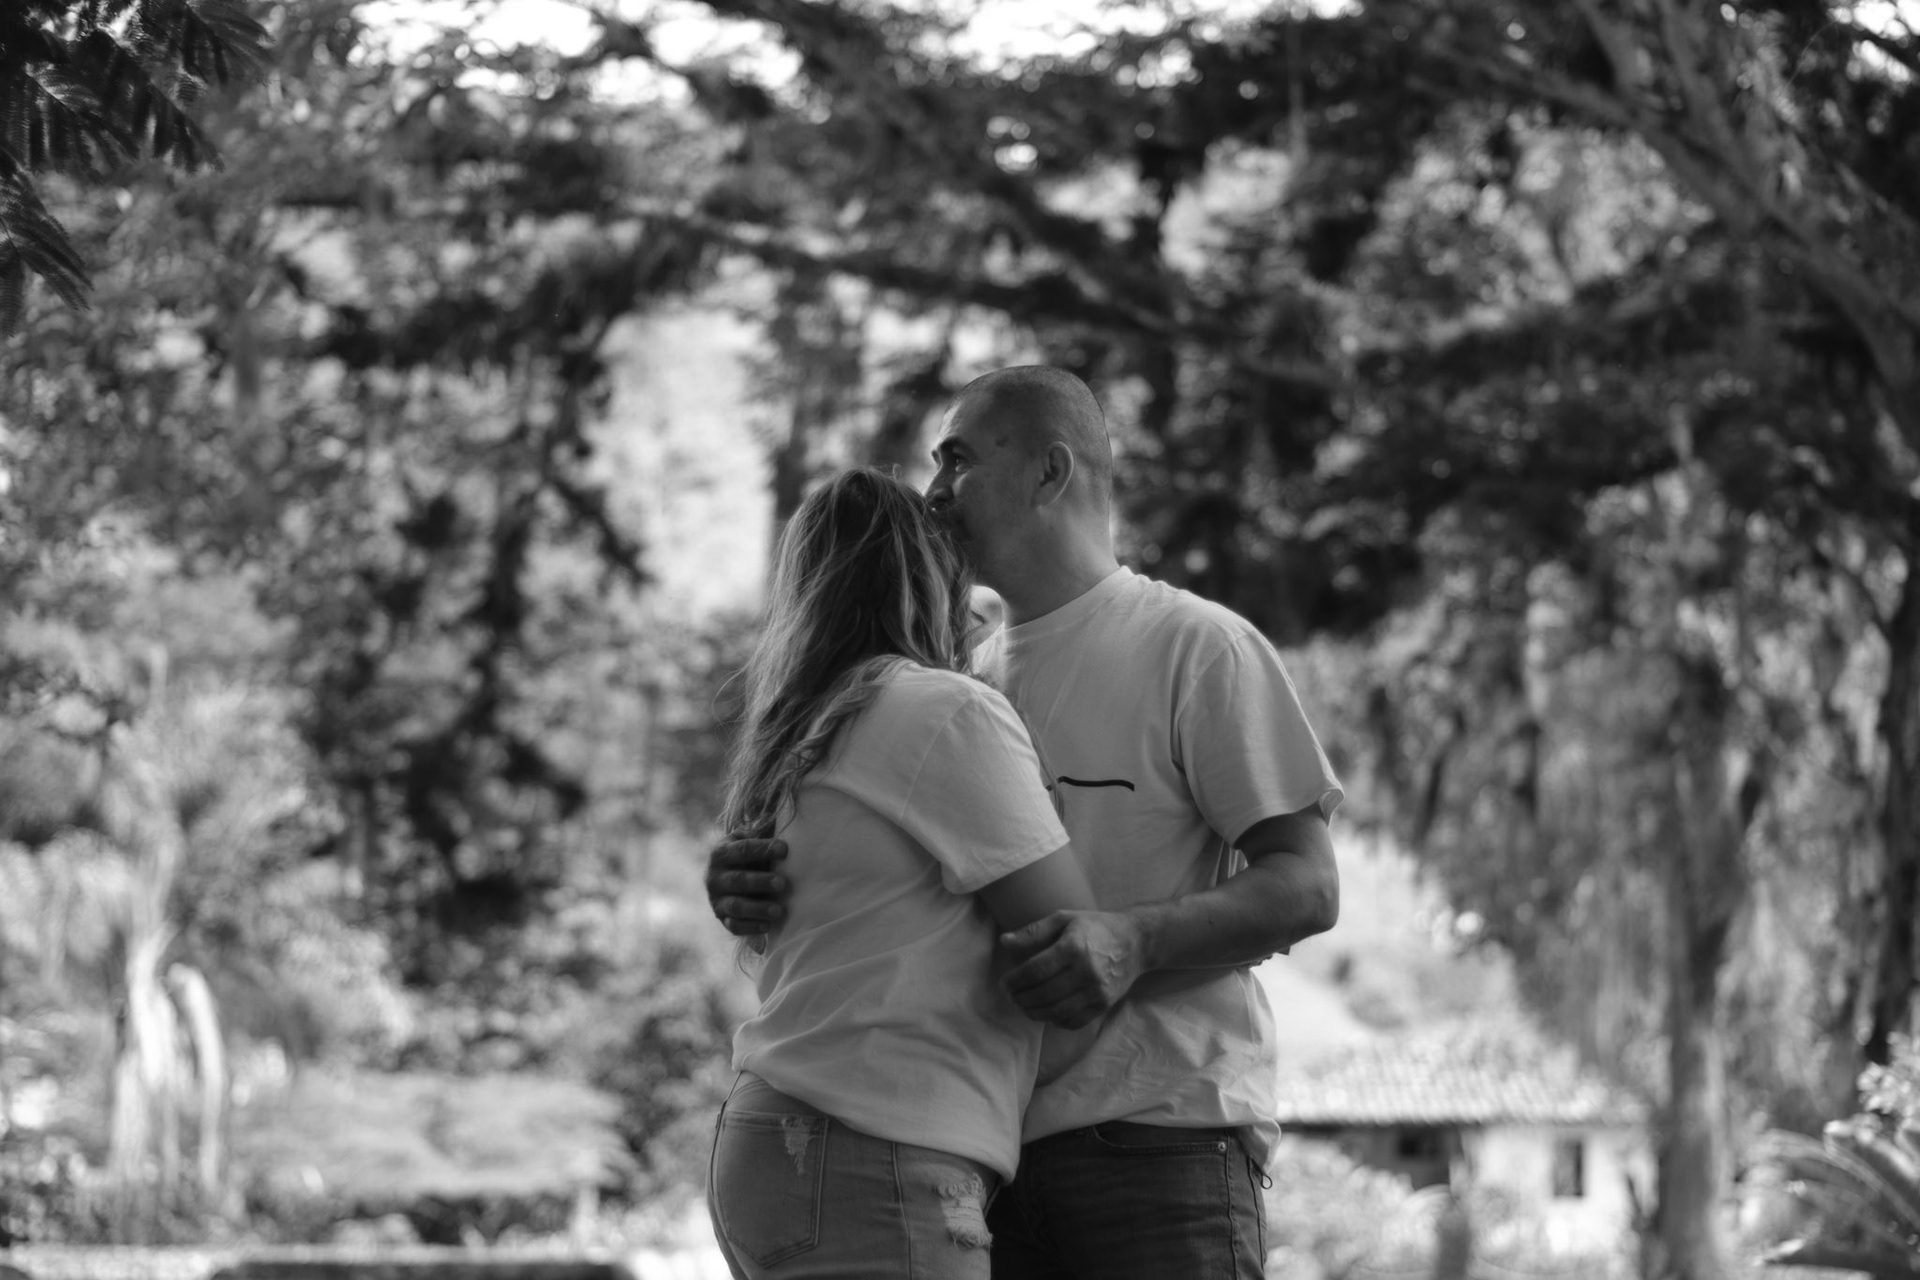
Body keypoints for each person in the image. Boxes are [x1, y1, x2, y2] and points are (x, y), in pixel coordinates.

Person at [708, 366, 1344, 1279]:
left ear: (1052, 471)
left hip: (1156, 1145)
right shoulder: (942, 684)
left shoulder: (1198, 645)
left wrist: (1133, 940)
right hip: (975, 1161)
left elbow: (1308, 884)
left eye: (958, 461)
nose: (934, 493)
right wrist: (749, 875)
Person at [705, 466, 1098, 1280]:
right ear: (932, 576)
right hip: (873, 1151)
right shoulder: (946, 710)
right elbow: (1074, 953)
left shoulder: (810, 726)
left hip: (777, 1139)